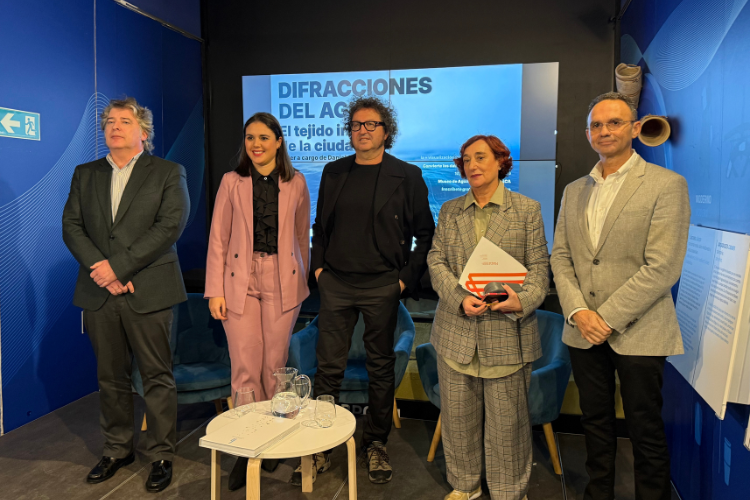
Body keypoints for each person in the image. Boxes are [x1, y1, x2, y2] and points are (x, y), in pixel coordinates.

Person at [550, 92, 690, 500]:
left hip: (640, 330)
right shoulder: (574, 190)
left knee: (645, 429)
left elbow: (663, 266)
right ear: (587, 134)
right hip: (583, 331)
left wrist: (606, 318)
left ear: (635, 129)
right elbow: (561, 256)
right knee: (594, 423)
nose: (604, 131)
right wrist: (579, 311)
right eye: (596, 125)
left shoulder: (667, 185)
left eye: (614, 123)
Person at [62, 97, 190, 493]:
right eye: (110, 121)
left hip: (148, 288)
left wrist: (119, 267)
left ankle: (162, 454)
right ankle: (117, 449)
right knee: (110, 377)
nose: (115, 127)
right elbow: (72, 226)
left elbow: (169, 226)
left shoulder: (167, 172)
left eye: (124, 121)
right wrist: (103, 271)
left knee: (156, 376)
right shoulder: (85, 173)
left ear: (143, 132)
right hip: (100, 291)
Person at [307, 95, 434, 485]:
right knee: (328, 368)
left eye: (371, 124)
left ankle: (376, 442)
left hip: (382, 285)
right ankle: (322, 443)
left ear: (386, 131)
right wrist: (319, 269)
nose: (362, 130)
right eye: (356, 125)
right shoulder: (334, 171)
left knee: (380, 368)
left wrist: (403, 279)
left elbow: (425, 233)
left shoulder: (407, 175)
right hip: (336, 283)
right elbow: (320, 228)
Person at [427, 135, 547, 500]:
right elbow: (436, 260)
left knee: (508, 427)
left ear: (500, 161)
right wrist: (459, 298)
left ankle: (509, 491)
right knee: (458, 422)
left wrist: (520, 300)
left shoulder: (527, 210)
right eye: (466, 160)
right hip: (456, 333)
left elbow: (540, 269)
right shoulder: (450, 210)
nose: (472, 165)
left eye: (481, 157)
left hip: (507, 332)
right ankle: (465, 486)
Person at [205, 112, 311, 490]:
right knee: (244, 367)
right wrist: (215, 290)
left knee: (274, 366)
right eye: (250, 137)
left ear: (278, 142)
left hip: (283, 279)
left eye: (264, 137)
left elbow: (302, 237)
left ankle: (275, 438)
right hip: (239, 280)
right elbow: (218, 238)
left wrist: (299, 280)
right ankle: (246, 447)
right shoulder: (231, 181)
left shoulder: (297, 182)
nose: (256, 144)